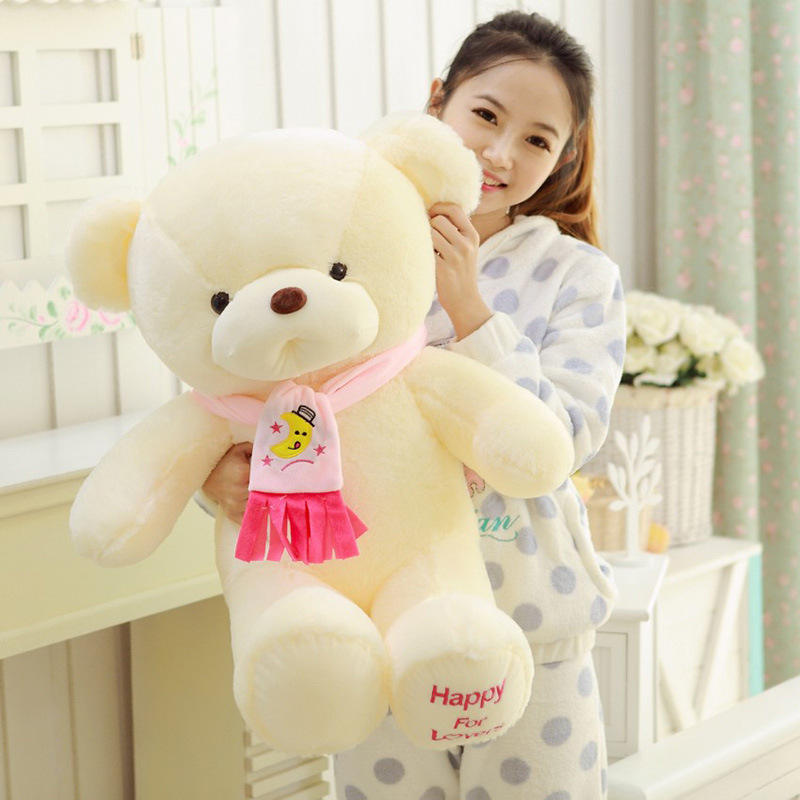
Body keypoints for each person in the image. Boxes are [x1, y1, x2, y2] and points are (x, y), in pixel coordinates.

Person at [203, 11, 625, 799]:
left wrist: (471, 309)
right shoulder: (348, 251)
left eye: (537, 139)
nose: (500, 154)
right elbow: (271, 388)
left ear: (565, 155)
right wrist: (226, 475)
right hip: (379, 616)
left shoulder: (578, 276)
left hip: (531, 620)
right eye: (487, 115)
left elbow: (565, 438)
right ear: (439, 100)